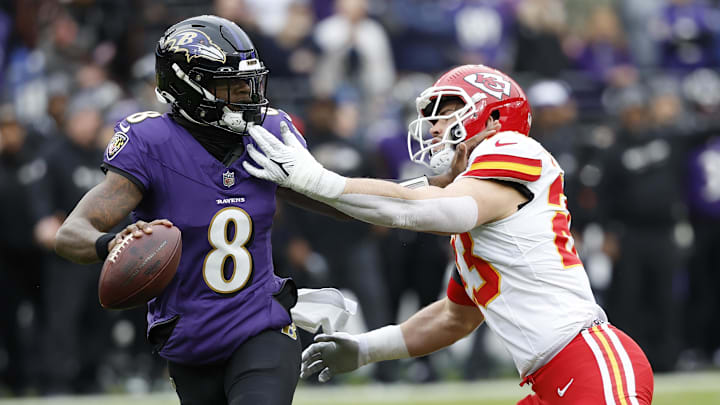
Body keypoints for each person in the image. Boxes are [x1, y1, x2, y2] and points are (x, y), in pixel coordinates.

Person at [53, 15, 475, 405]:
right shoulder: (151, 143)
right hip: (187, 335)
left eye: (251, 85)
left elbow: (342, 202)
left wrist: (429, 191)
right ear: (186, 87)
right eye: (232, 88)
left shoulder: (268, 133)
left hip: (261, 325)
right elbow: (71, 233)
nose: (249, 98)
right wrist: (112, 243)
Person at [243, 64, 655, 404]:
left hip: (587, 362)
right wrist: (366, 348)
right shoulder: (478, 218)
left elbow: (416, 209)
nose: (435, 126)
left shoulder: (512, 147)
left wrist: (319, 179)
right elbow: (453, 317)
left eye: (449, 111)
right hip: (549, 379)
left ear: (493, 119)